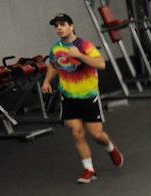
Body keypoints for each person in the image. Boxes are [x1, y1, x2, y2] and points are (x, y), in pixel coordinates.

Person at [41, 13, 123, 184]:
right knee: (77, 133)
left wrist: (79, 55)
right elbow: (54, 65)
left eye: (63, 24)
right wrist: (47, 81)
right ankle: (89, 170)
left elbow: (101, 64)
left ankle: (111, 148)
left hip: (88, 97)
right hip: (68, 97)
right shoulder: (56, 49)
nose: (59, 28)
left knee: (97, 135)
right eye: (56, 26)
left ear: (71, 26)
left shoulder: (84, 45)